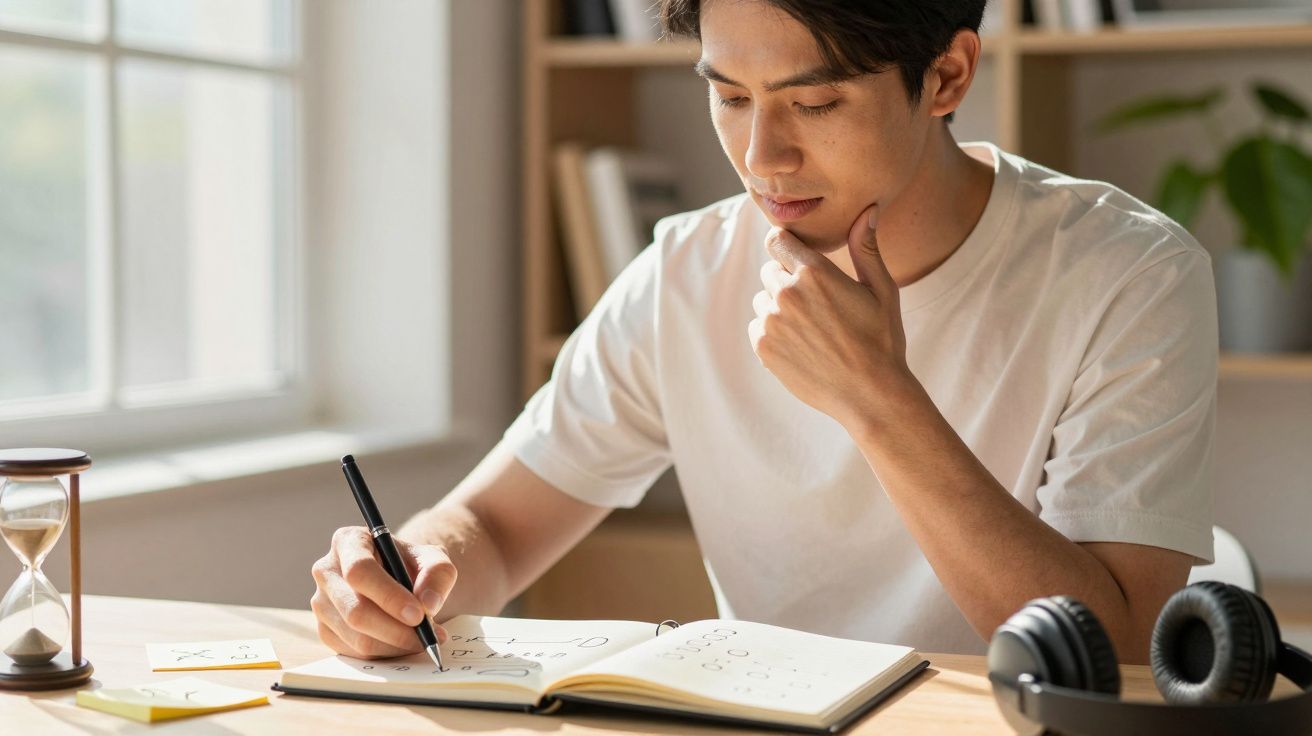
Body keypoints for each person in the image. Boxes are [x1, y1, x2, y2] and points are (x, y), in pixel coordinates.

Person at [310, 0, 1218, 663]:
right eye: (731, 97)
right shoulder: (685, 271)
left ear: (947, 76)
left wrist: (878, 399)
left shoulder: (1129, 273)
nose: (761, 159)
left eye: (814, 104)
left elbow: (1123, 652)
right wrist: (410, 574)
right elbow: (495, 528)